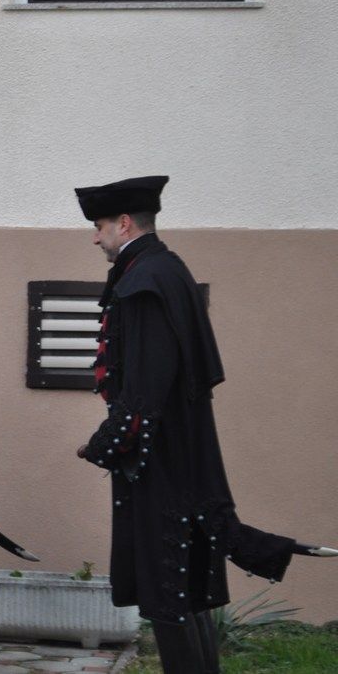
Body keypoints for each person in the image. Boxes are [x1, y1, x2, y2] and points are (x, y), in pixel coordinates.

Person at [74, 176, 335, 674]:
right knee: (183, 591)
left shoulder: (146, 282)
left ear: (124, 224)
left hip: (161, 465)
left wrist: (103, 445)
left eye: (100, 226)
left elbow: (143, 396)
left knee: (168, 592)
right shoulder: (166, 270)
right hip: (182, 457)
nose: (95, 237)